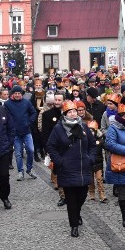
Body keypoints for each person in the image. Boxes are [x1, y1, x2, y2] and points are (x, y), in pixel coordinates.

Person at [46, 100, 96, 237]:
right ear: (65, 114)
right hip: (67, 169)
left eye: (75, 111)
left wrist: (90, 158)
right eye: (70, 112)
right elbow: (50, 146)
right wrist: (60, 161)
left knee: (82, 195)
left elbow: (92, 145)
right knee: (71, 199)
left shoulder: (84, 127)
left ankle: (77, 213)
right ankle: (74, 225)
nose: (73, 114)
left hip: (83, 167)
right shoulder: (59, 128)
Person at [4, 85, 38, 181]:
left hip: (26, 131)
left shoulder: (26, 102)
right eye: (16, 93)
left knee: (31, 150)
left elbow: (33, 113)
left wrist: (29, 122)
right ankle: (20, 172)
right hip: (15, 133)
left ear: (21, 94)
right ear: (12, 94)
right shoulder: (7, 104)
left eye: (19, 93)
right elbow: (5, 116)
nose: (17, 95)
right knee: (18, 153)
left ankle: (29, 169)